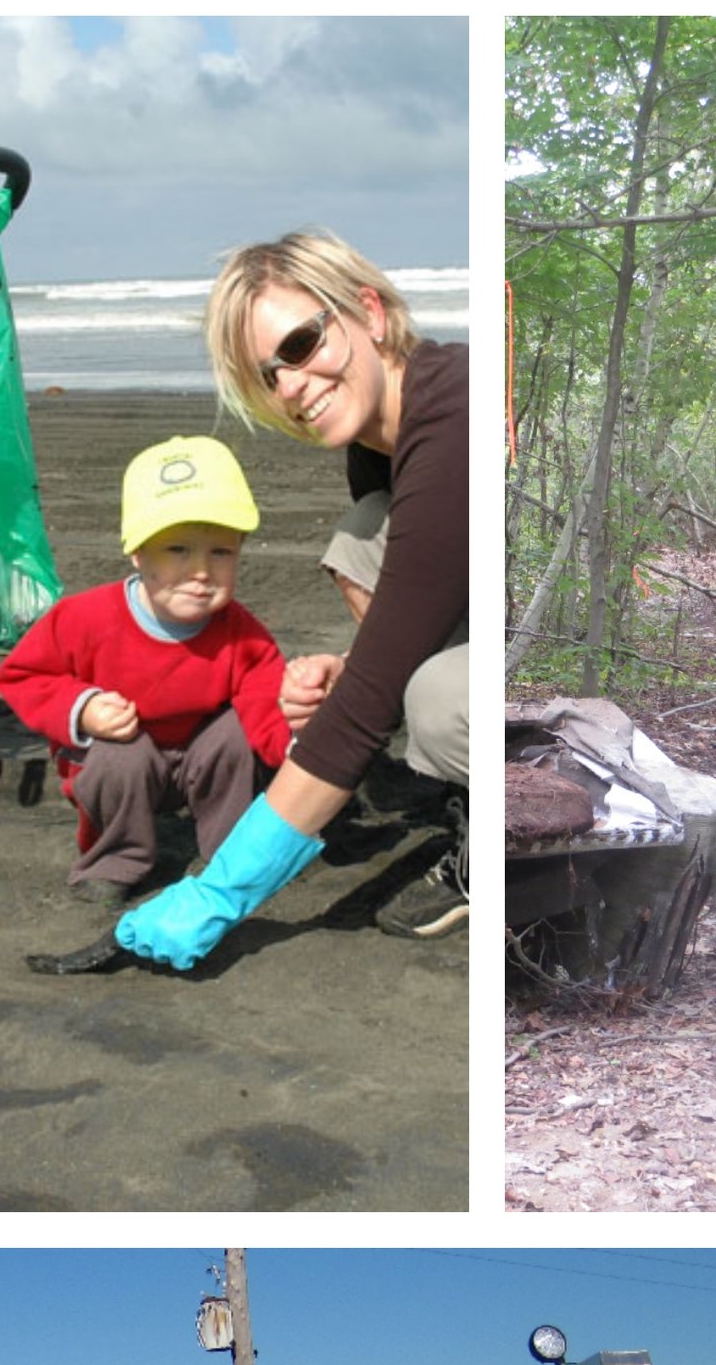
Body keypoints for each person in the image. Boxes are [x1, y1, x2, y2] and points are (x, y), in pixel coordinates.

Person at [110, 232, 469, 969]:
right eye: (268, 376)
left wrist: (221, 891)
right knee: (365, 537)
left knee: (433, 697)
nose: (292, 387)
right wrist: (358, 663)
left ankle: (503, 817)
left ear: (368, 311)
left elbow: (364, 713)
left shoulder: (452, 419)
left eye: (301, 345)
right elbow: (420, 592)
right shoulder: (375, 442)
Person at [0, 437, 294, 903]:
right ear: (137, 553)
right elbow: (23, 676)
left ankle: (230, 854)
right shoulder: (84, 618)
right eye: (177, 549)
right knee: (121, 752)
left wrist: (293, 747)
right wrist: (84, 708)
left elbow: (265, 699)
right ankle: (115, 860)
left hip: (200, 757)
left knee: (237, 733)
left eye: (221, 552)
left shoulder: (242, 633)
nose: (201, 571)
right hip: (122, 760)